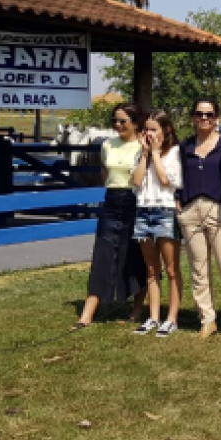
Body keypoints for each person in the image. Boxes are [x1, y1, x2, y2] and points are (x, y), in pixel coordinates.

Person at [178, 98, 221, 340]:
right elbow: (178, 175)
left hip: (220, 211)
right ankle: (207, 320)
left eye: (209, 114)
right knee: (198, 269)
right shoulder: (185, 146)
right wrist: (179, 200)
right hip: (190, 211)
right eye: (199, 114)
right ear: (193, 117)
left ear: (216, 117)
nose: (204, 118)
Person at [73, 103, 147, 329]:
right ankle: (87, 314)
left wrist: (145, 152)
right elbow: (104, 172)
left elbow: (141, 178)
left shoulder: (143, 146)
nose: (118, 125)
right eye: (115, 120)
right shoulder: (107, 145)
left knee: (134, 255)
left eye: (123, 121)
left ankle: (136, 309)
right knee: (103, 254)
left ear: (135, 123)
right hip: (111, 203)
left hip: (135, 202)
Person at [131, 110, 183, 338]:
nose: (149, 133)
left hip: (166, 211)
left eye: (154, 129)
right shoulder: (141, 153)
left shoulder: (174, 152)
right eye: (146, 129)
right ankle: (153, 316)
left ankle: (171, 318)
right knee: (151, 270)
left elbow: (166, 180)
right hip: (143, 211)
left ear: (166, 130)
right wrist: (145, 154)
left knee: (171, 269)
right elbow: (136, 180)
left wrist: (156, 154)